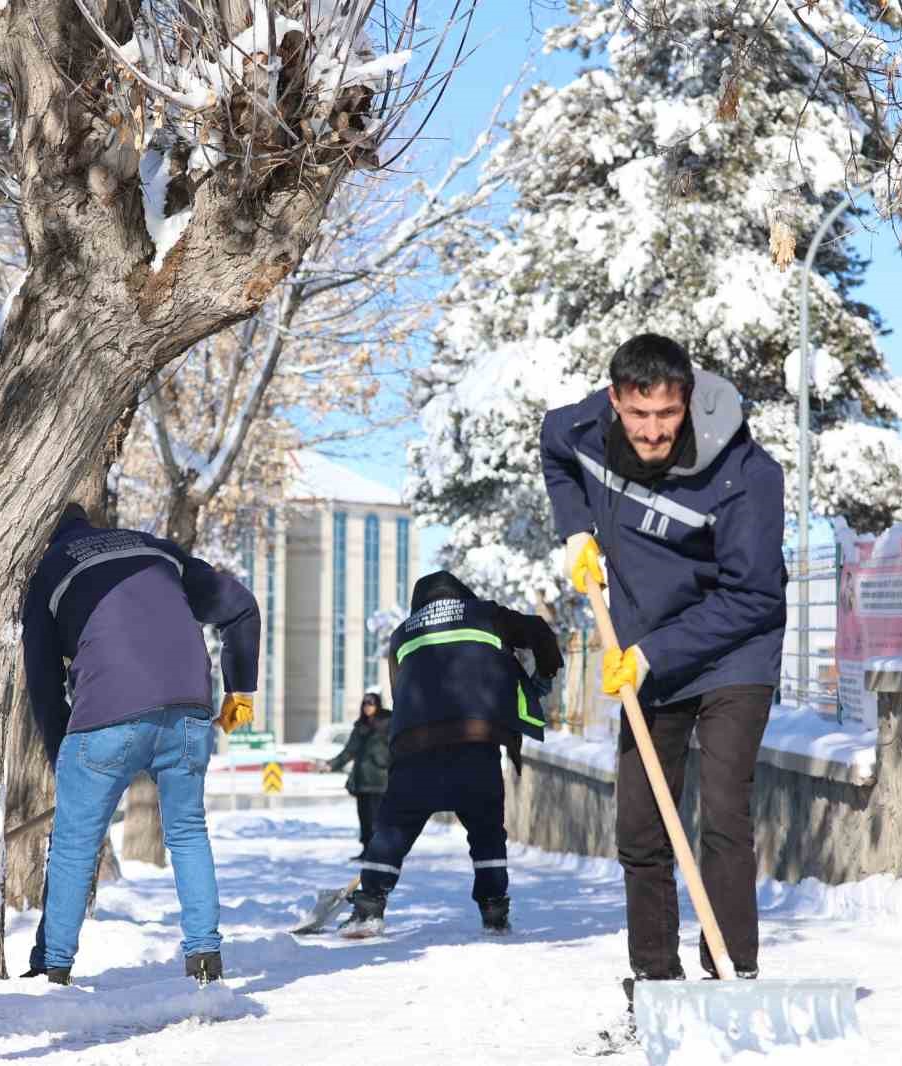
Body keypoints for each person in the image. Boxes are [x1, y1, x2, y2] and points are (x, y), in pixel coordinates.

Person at [540, 333, 787, 1010]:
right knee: (641, 824)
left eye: (668, 415)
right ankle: (654, 980)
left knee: (724, 811)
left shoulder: (746, 475)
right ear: (615, 401)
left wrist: (650, 655)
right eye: (639, 414)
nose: (652, 432)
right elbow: (552, 447)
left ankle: (733, 973)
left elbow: (754, 597)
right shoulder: (584, 428)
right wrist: (576, 530)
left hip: (734, 649)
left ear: (687, 401)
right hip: (644, 645)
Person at [20, 504, 259, 987]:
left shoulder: (49, 570)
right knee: (188, 832)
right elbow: (241, 607)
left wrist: (61, 757)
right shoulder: (155, 548)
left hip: (107, 714)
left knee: (74, 844)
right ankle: (205, 957)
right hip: (189, 709)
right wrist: (240, 693)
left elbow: (43, 684)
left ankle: (53, 966)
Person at [336, 570, 563, 938]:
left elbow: (399, 692)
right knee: (487, 831)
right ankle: (494, 911)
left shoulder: (402, 633)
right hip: (475, 744)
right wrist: (545, 674)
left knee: (391, 831)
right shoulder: (487, 614)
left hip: (415, 749)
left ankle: (368, 908)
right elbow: (539, 630)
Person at [327, 692, 391, 860]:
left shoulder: (388, 724)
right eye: (365, 704)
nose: (367, 707)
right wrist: (331, 764)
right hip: (361, 780)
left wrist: (381, 759)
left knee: (377, 818)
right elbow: (349, 751)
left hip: (379, 781)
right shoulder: (360, 726)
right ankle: (367, 849)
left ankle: (379, 851)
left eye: (371, 703)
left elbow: (395, 748)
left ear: (378, 705)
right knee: (365, 819)